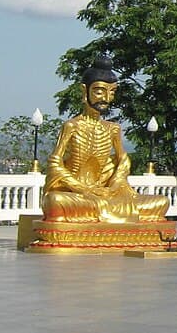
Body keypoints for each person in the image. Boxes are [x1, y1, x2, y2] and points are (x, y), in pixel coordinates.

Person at [42, 55, 169, 223]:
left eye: (112, 92)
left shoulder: (113, 129)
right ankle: (103, 213)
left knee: (161, 202)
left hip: (106, 194)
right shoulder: (72, 126)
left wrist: (114, 187)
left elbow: (123, 161)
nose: (106, 98)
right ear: (84, 90)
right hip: (77, 194)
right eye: (100, 91)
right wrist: (82, 189)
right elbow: (54, 163)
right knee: (55, 202)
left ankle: (102, 213)